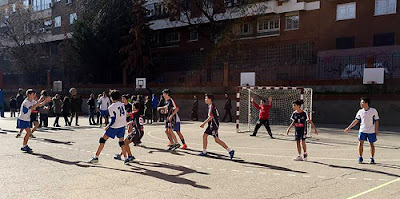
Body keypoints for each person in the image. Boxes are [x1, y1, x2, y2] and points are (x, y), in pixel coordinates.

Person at [89, 90, 129, 164]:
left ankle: (96, 157)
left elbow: (113, 119)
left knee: (102, 140)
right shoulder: (122, 104)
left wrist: (108, 125)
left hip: (114, 127)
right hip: (122, 126)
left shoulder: (111, 107)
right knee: (121, 142)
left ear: (111, 98)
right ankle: (126, 158)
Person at [344, 97, 380, 164]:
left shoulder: (373, 111)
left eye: (362, 102)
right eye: (361, 102)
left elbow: (376, 121)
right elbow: (356, 120)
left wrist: (376, 130)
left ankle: (372, 158)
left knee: (371, 144)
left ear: (366, 103)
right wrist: (349, 128)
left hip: (371, 131)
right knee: (360, 143)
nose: (361, 104)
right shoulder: (360, 111)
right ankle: (360, 157)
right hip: (362, 130)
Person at [199, 94, 235, 159]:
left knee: (217, 140)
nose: (205, 99)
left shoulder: (211, 106)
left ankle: (230, 151)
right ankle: (204, 151)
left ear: (210, 99)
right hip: (211, 125)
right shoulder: (210, 106)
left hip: (213, 125)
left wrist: (203, 124)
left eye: (206, 98)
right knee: (205, 136)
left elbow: (211, 116)